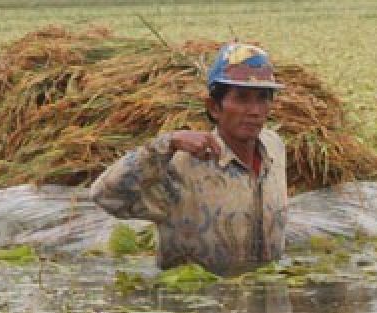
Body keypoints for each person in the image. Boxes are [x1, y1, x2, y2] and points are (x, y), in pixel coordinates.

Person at [90, 43, 287, 274]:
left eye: (263, 98)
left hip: (269, 297)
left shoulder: (275, 149)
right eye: (242, 98)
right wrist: (165, 144)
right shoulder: (182, 164)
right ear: (214, 107)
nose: (254, 110)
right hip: (195, 302)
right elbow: (105, 195)